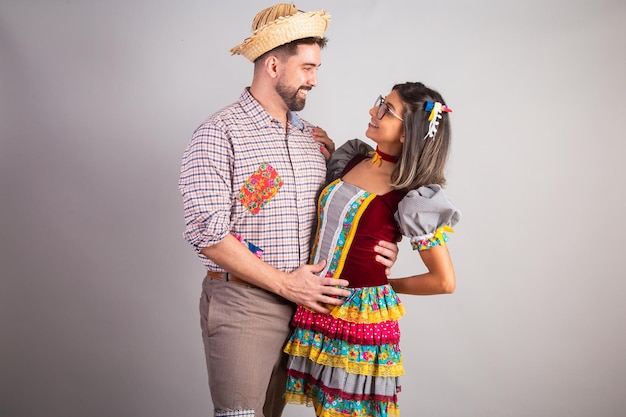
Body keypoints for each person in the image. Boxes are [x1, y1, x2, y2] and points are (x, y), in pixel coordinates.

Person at [178, 4, 399, 417]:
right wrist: (286, 285)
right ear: (274, 66)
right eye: (308, 68)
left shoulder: (310, 140)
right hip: (245, 303)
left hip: (306, 307)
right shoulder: (218, 133)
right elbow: (206, 234)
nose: (315, 80)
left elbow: (338, 217)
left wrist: (380, 247)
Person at [282, 81, 461, 417]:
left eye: (386, 110)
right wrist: (326, 150)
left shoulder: (411, 194)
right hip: (315, 306)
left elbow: (443, 281)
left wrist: (383, 285)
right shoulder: (352, 158)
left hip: (357, 322)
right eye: (381, 102)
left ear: (407, 133)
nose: (373, 111)